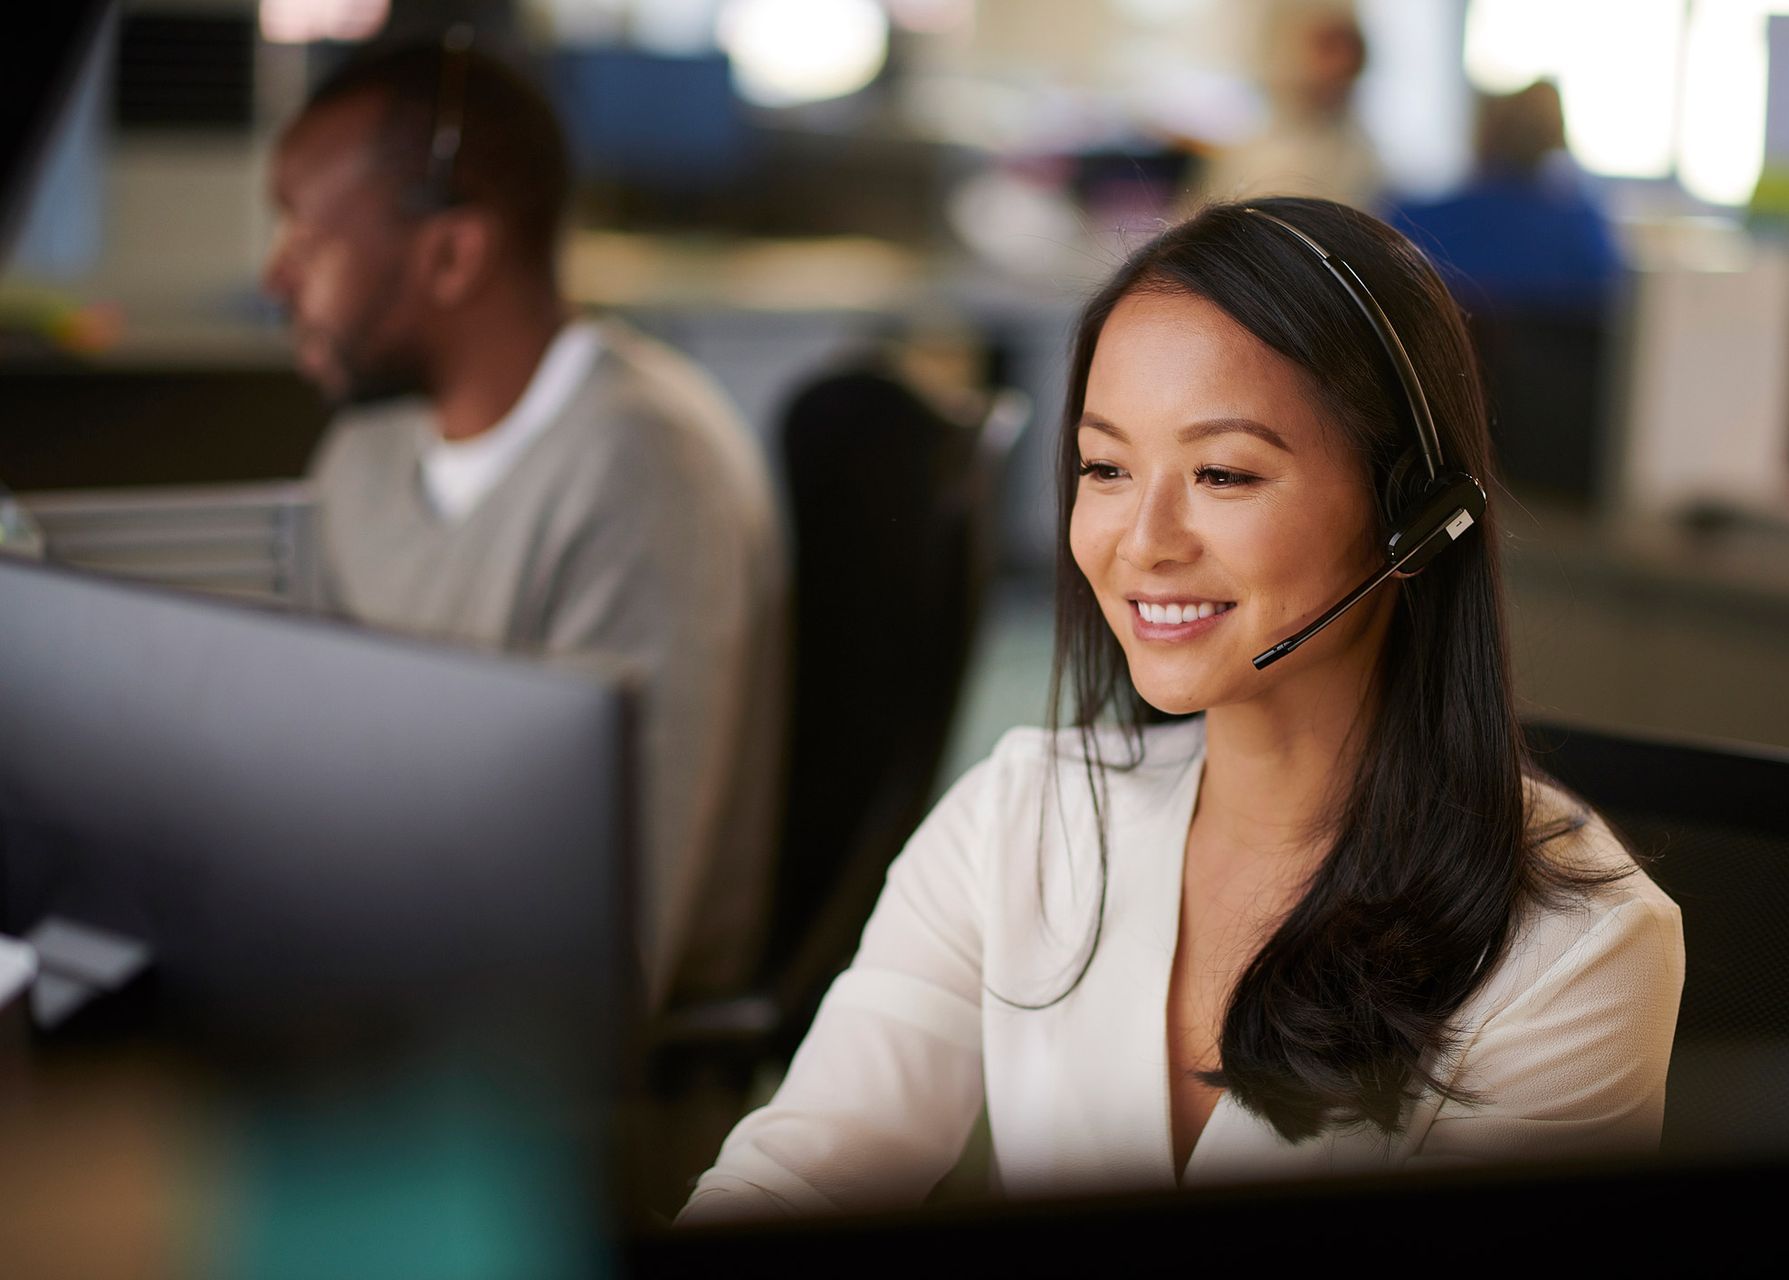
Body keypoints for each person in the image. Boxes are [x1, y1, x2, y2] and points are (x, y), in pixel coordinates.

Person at [679, 197, 1682, 1221]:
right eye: (1105, 467)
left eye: (1222, 472)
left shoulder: (1578, 950)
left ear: (1414, 514)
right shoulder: (1019, 816)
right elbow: (795, 1172)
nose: (1143, 539)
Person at [261, 36, 787, 1010]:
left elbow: (611, 943)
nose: (275, 276)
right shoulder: (364, 457)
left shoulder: (644, 475)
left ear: (453, 252)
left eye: (307, 238)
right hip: (381, 990)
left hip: (556, 1087)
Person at [1388, 80, 1624, 311]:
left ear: (1482, 132)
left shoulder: (1415, 224)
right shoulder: (1580, 234)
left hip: (1441, 349)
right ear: (1556, 140)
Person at [1195, 4, 1383, 210]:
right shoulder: (1256, 157)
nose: (1341, 65)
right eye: (1327, 48)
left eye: (1349, 48)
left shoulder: (1359, 155)